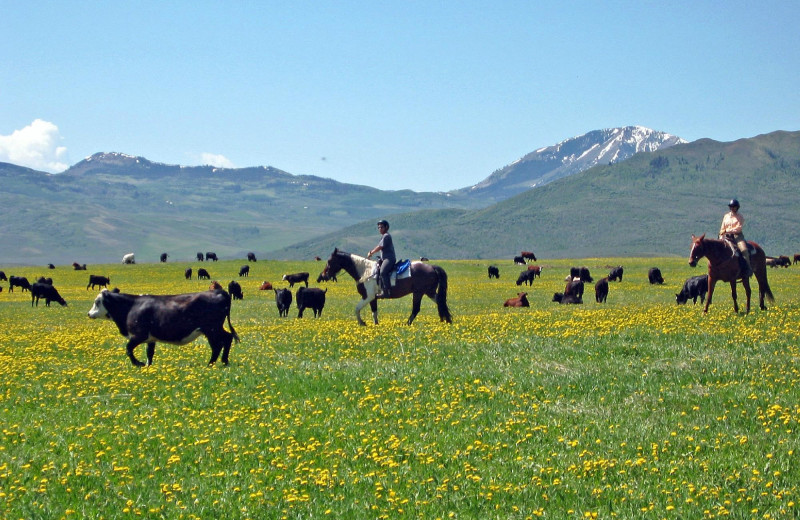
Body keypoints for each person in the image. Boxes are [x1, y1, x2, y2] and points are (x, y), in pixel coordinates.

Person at [718, 198, 752, 278]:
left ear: (737, 207)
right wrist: (721, 235)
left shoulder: (740, 217)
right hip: (725, 236)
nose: (733, 208)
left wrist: (728, 230)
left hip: (737, 236)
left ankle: (748, 268)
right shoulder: (726, 216)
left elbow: (738, 228)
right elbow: (722, 227)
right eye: (731, 207)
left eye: (734, 207)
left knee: (744, 250)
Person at [367, 219, 396, 297]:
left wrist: (371, 252)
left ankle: (386, 292)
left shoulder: (386, 236)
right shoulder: (383, 236)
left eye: (381, 227)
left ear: (386, 227)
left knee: (383, 272)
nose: (380, 229)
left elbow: (380, 247)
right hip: (385, 258)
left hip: (389, 259)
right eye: (378, 227)